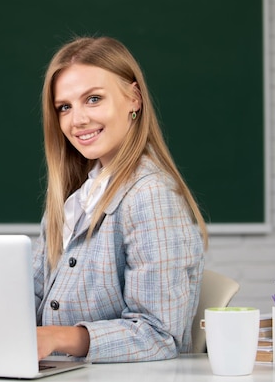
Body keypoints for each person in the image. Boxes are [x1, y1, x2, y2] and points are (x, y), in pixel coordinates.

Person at [33, 36, 208, 363]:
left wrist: (62, 336)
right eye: (65, 107)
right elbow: (35, 294)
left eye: (94, 99)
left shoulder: (150, 195)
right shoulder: (73, 198)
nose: (78, 120)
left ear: (134, 99)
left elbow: (160, 335)